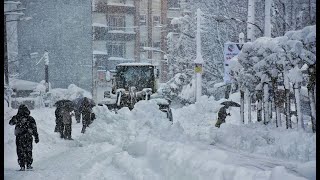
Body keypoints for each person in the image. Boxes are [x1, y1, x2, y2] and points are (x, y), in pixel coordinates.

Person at [9, 104, 39, 171]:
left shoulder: (17, 117)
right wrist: (36, 136)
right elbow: (34, 128)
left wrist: (16, 119)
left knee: (20, 151)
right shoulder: (30, 118)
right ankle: (29, 164)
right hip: (28, 136)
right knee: (28, 150)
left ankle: (22, 165)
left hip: (19, 137)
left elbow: (10, 123)